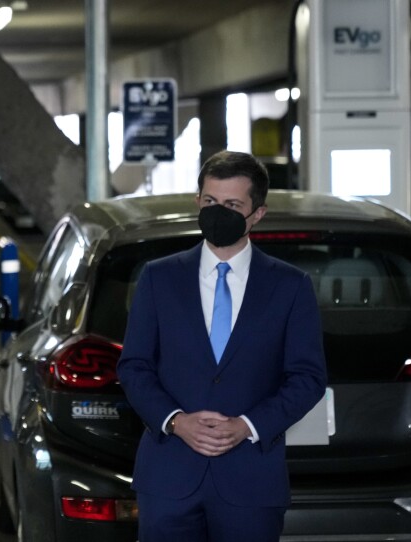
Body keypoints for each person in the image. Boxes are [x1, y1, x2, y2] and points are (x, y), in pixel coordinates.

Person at [116, 150, 327, 541]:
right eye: (210, 202)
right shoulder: (158, 278)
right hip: (168, 480)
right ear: (197, 202)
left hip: (250, 481)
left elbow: (307, 378)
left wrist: (246, 426)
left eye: (232, 205)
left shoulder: (290, 285)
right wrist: (176, 421)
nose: (218, 212)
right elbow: (134, 366)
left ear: (257, 214)